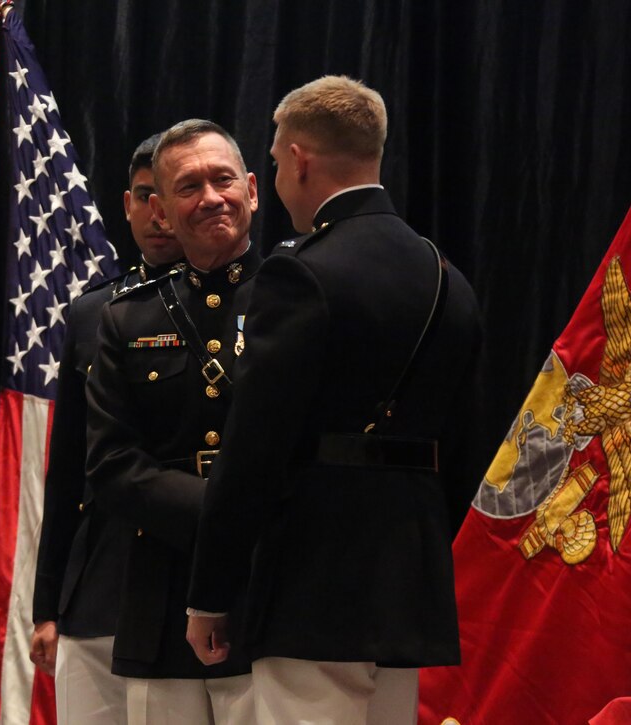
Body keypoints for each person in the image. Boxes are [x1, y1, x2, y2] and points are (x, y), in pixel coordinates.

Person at [185, 76, 482, 724]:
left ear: (297, 158)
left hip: (312, 583)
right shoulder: (446, 279)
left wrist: (211, 593)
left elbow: (253, 446)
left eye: (272, 160)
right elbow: (462, 445)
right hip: (410, 581)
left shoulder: (301, 273)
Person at [85, 119, 260, 724]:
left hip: (268, 582)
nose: (211, 197)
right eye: (189, 186)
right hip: (161, 588)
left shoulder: (299, 297)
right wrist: (224, 510)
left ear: (253, 190)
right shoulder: (125, 319)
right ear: (159, 208)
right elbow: (110, 465)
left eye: (223, 180)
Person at [30, 133, 184, 724]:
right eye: (147, 196)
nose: (159, 213)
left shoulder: (255, 298)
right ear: (127, 204)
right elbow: (67, 469)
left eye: (170, 195)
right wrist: (49, 606)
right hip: (97, 583)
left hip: (185, 574)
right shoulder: (94, 312)